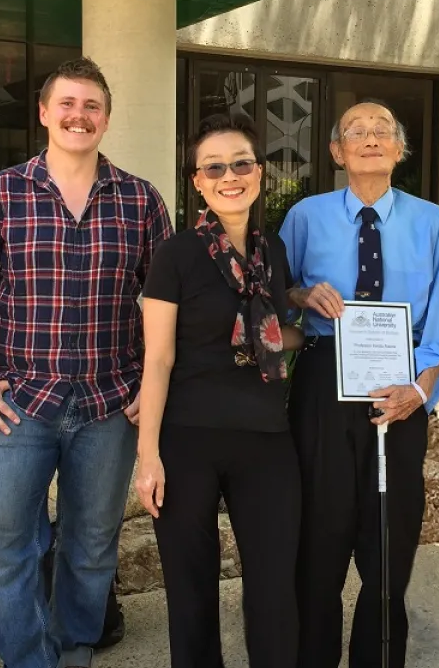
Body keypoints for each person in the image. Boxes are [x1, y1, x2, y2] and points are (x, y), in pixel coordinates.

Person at [0, 57, 173, 668]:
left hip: (110, 402)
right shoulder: (0, 193)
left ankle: (75, 647)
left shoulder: (140, 200)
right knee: (0, 539)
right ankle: (29, 658)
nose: (79, 116)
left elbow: (163, 305)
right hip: (19, 402)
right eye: (67, 104)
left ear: (107, 118)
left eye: (92, 105)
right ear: (44, 113)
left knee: (92, 542)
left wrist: (151, 386)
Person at [280, 99, 439, 668]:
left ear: (400, 149)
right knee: (319, 535)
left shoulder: (431, 221)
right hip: (323, 382)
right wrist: (303, 294)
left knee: (390, 537)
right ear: (337, 151)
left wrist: (420, 391)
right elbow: (275, 292)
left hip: (400, 386)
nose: (371, 138)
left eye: (383, 129)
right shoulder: (305, 216)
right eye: (356, 131)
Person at [133, 112, 304, 668]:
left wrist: (313, 318)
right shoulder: (175, 255)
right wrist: (148, 456)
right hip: (189, 437)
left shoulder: (272, 252)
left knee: (275, 586)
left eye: (241, 164)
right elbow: (158, 358)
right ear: (198, 183)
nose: (230, 176)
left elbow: (271, 333)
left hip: (266, 435)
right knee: (191, 588)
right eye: (214, 168)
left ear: (259, 173)